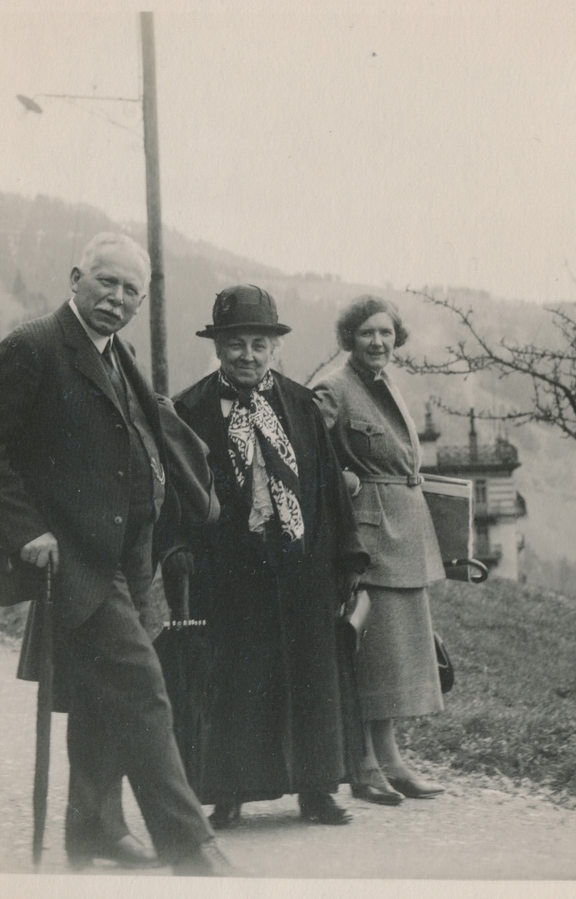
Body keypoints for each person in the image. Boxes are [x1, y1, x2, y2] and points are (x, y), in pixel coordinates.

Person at [0, 232, 233, 875]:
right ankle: (191, 847)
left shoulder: (116, 354)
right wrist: (26, 531)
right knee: (141, 687)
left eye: (133, 290)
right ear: (76, 276)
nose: (119, 298)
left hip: (126, 555)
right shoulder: (34, 347)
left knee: (102, 691)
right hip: (75, 559)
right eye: (107, 282)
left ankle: (94, 828)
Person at [172, 284, 368, 829]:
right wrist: (182, 556)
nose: (248, 356)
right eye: (236, 344)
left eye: (259, 344)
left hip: (301, 565)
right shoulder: (189, 410)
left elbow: (327, 486)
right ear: (218, 347)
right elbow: (180, 500)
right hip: (229, 570)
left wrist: (348, 560)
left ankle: (317, 790)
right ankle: (228, 790)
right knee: (236, 679)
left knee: (311, 677)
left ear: (274, 348)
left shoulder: (302, 406)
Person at [312, 295, 446, 804]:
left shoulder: (384, 382)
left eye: (386, 333)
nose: (378, 342)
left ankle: (390, 758)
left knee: (395, 655)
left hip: (404, 533)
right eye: (367, 333)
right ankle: (362, 764)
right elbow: (303, 447)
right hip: (369, 537)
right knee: (370, 656)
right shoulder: (333, 386)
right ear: (350, 337)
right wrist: (339, 478)